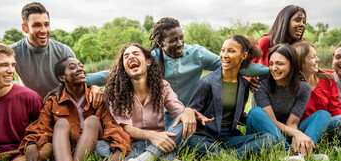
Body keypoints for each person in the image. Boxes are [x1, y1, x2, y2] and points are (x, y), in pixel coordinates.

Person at [86, 17, 269, 124]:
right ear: (160, 43)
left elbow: (231, 65)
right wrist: (85, 80)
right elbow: (113, 75)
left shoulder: (197, 54)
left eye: (181, 38)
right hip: (163, 117)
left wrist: (270, 70)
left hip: (195, 113)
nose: (180, 43)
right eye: (173, 40)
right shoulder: (151, 60)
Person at [97, 44, 210, 161]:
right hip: (131, 143)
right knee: (99, 146)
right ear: (124, 67)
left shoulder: (162, 86)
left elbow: (178, 112)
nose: (131, 57)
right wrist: (152, 136)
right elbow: (126, 128)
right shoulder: (116, 92)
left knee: (183, 121)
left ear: (148, 61)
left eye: (136, 54)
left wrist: (188, 111)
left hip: (162, 139)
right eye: (126, 56)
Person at [18, 57, 131, 161]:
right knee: (61, 123)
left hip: (93, 147)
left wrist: (119, 151)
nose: (80, 69)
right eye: (72, 67)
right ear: (62, 77)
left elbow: (112, 126)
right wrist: (31, 143)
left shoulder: (96, 96)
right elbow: (42, 125)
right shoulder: (54, 100)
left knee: (93, 120)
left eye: (81, 66)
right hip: (66, 148)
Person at [186, 35, 276, 158]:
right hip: (204, 137)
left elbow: (237, 115)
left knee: (269, 138)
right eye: (223, 50)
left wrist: (255, 119)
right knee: (191, 141)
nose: (224, 55)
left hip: (228, 138)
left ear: (243, 56)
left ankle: (224, 157)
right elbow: (191, 112)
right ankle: (233, 157)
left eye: (231, 51)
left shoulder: (244, 85)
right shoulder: (205, 83)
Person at [246, 44, 331, 161]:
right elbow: (272, 121)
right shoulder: (261, 83)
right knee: (255, 112)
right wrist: (297, 133)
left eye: (279, 64)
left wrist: (297, 134)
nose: (274, 68)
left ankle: (301, 153)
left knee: (323, 115)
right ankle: (290, 153)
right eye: (271, 64)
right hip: (265, 130)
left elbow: (292, 123)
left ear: (292, 65)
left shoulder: (303, 88)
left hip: (286, 131)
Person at [10, 2, 102, 105]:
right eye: (36, 25)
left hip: (61, 107)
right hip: (31, 108)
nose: (43, 30)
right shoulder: (12, 52)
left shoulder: (64, 51)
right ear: (25, 28)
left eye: (46, 24)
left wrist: (94, 86)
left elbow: (78, 80)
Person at [0, 42, 44, 161]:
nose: (11, 70)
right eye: (4, 65)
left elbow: (45, 129)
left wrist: (31, 142)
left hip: (18, 154)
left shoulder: (29, 96)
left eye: (13, 65)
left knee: (47, 148)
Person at [293, 41, 341, 136]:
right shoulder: (292, 85)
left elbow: (334, 109)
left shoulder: (328, 79)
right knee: (323, 114)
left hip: (327, 126)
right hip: (303, 127)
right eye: (313, 57)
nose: (318, 59)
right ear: (300, 61)